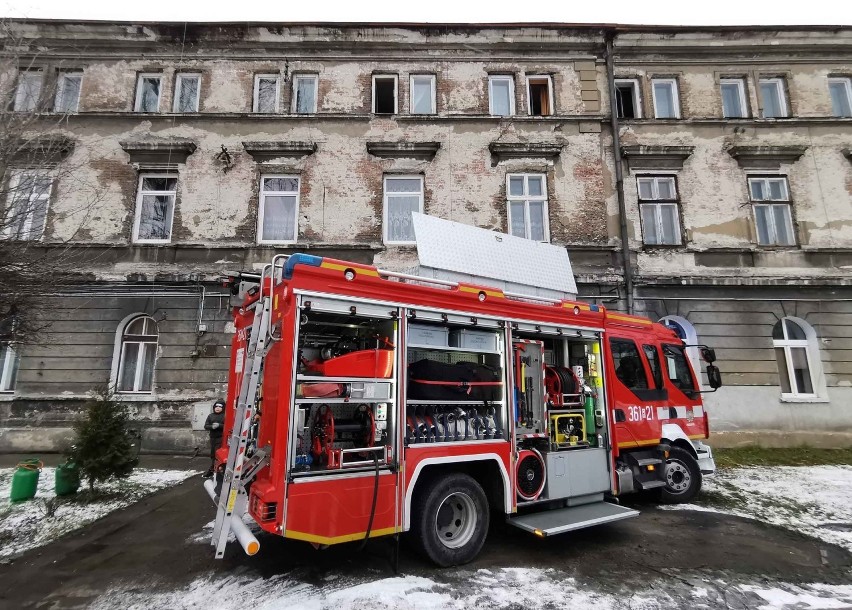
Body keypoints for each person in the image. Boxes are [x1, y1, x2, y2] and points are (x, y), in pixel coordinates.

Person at [202, 400, 225, 478]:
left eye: (220, 407)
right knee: (212, 455)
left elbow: (227, 426)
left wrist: (219, 425)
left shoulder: (225, 415)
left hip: (221, 438)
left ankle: (216, 470)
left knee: (217, 454)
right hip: (212, 438)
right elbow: (205, 426)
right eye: (216, 406)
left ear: (223, 408)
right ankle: (213, 469)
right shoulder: (210, 416)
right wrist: (211, 426)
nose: (218, 408)